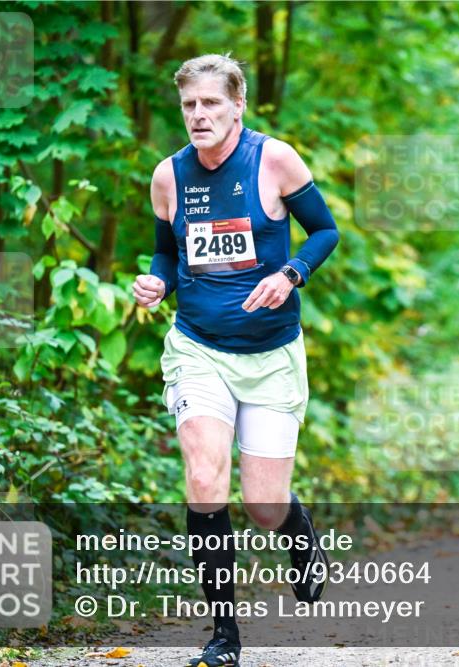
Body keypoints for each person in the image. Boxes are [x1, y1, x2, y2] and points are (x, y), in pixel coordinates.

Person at [132, 54, 340, 667]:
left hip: (272, 356)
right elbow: (166, 256)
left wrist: (291, 273)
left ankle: (298, 534)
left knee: (263, 505)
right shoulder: (168, 176)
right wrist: (154, 284)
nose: (199, 115)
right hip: (198, 348)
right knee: (203, 478)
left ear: (237, 105)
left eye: (211, 104)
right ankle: (225, 638)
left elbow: (324, 231)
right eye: (190, 105)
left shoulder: (273, 159)